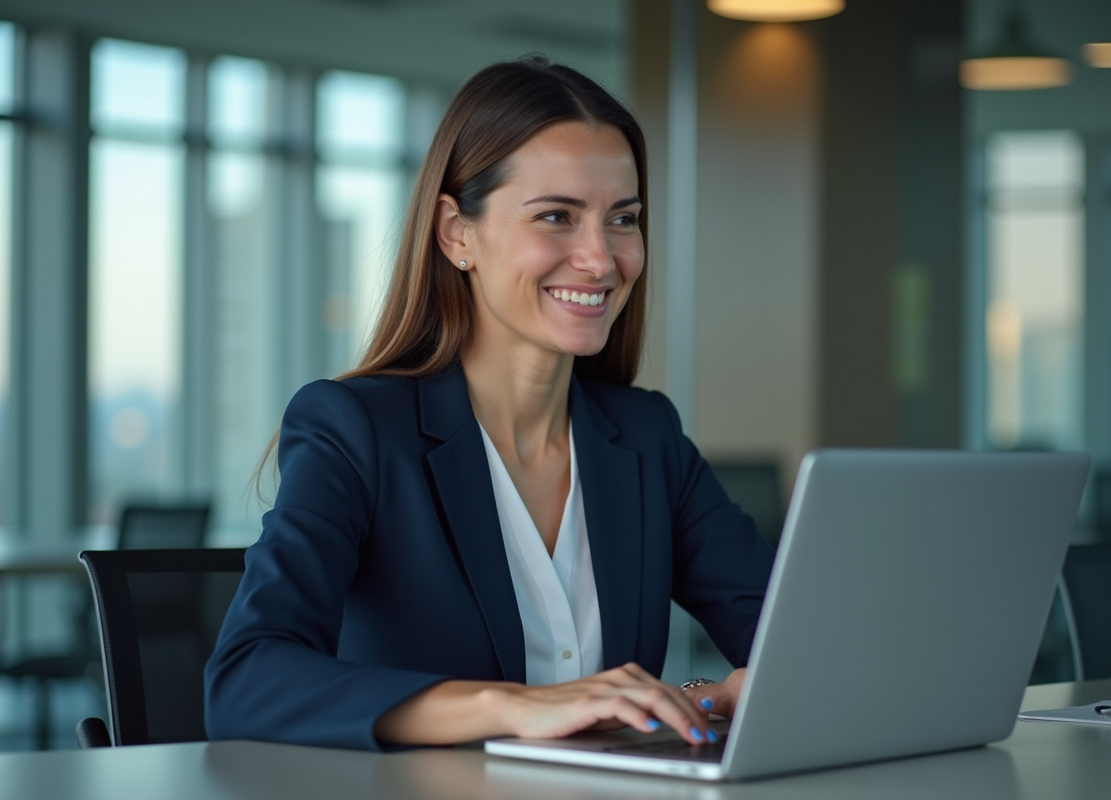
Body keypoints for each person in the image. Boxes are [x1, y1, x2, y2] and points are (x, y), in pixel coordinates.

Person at [204, 56, 775, 752]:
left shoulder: (646, 438)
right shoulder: (357, 431)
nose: (601, 258)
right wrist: (517, 707)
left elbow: (793, 638)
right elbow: (245, 680)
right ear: (457, 234)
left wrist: (712, 694)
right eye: (557, 216)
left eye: (622, 219)